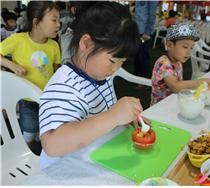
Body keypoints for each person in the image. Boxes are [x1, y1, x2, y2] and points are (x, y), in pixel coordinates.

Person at [38, 2, 142, 169]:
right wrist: (113, 117)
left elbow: (101, 114)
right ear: (86, 43)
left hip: (93, 157)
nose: (116, 69)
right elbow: (52, 145)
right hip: (63, 171)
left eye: (122, 62)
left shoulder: (100, 73)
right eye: (113, 61)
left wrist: (123, 117)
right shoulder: (64, 86)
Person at [0, 1, 61, 147]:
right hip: (26, 99)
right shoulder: (18, 40)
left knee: (44, 132)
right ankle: (23, 152)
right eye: (54, 20)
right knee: (28, 133)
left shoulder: (54, 46)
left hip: (46, 98)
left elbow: (56, 69)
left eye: (58, 20)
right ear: (36, 22)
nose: (59, 24)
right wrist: (12, 65)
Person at [150, 23, 210, 105]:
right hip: (160, 107)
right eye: (185, 47)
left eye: (191, 48)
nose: (189, 52)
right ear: (169, 45)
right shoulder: (163, 63)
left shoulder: (178, 62)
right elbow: (175, 86)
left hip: (174, 102)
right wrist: (199, 82)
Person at [134, 1, 158, 79]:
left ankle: (144, 79)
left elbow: (152, 14)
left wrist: (147, 32)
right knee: (138, 56)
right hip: (139, 30)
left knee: (142, 56)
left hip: (143, 32)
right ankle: (138, 78)